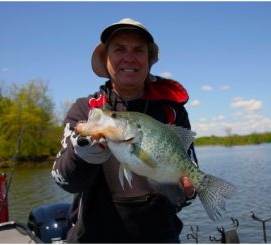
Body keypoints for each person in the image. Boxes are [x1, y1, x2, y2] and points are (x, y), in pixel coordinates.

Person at [52, 18, 198, 243]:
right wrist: (82, 156)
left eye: (138, 50)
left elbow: (187, 178)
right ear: (106, 58)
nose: (129, 57)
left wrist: (187, 191)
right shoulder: (86, 109)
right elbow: (64, 181)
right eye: (119, 49)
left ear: (149, 60)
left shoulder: (172, 111)